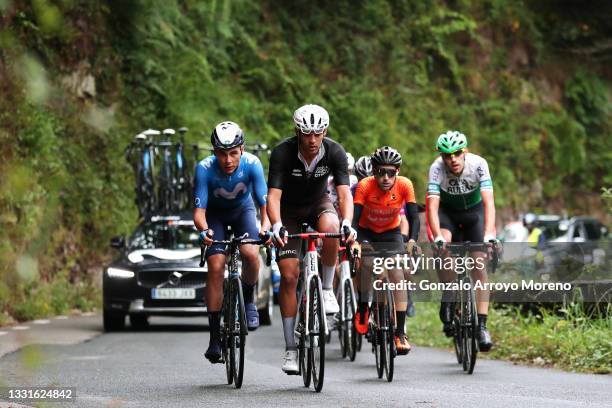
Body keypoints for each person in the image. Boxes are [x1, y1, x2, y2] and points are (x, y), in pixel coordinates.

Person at [266, 104, 357, 374]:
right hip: (288, 211)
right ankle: (290, 349)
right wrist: (277, 225)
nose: (312, 140)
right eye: (306, 134)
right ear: (297, 132)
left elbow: (344, 194)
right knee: (290, 276)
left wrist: (348, 222)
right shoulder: (282, 152)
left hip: (318, 203)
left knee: (332, 226)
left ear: (325, 131)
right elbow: (273, 196)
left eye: (318, 133)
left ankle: (327, 289)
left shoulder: (335, 151)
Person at [193, 121, 271, 364]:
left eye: (233, 153)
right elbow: (199, 212)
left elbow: (264, 204)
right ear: (214, 152)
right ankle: (215, 336)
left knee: (250, 253)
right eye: (222, 154)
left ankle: (248, 301)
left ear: (242, 149)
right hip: (214, 216)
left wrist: (265, 228)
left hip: (243, 212)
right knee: (216, 266)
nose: (228, 160)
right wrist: (204, 230)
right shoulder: (204, 168)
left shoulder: (252, 164)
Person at [426, 130, 497, 352]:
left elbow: (489, 203)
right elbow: (432, 206)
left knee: (478, 264)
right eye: (447, 155)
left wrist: (489, 235)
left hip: (474, 215)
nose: (452, 159)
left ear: (464, 151)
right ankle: (449, 294)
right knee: (443, 247)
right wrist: (437, 236)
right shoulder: (436, 168)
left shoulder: (478, 164)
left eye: (457, 153)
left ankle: (482, 326)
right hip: (448, 214)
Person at [352, 146, 420, 355]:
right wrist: (354, 242)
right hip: (366, 233)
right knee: (366, 265)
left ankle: (400, 332)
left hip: (391, 233)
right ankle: (363, 307)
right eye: (381, 172)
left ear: (397, 171)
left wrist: (412, 241)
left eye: (391, 172)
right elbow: (354, 220)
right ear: (374, 171)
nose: (385, 177)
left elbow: (414, 217)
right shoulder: (364, 186)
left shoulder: (405, 185)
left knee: (398, 274)